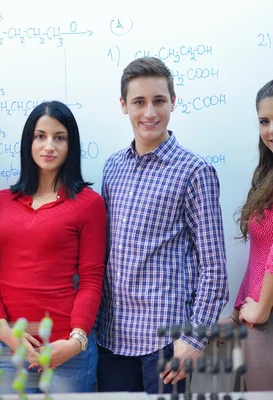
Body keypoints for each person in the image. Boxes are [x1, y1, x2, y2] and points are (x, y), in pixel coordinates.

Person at [95, 57, 228, 394]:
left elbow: (213, 267)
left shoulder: (195, 171)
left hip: (166, 342)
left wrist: (194, 340)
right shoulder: (112, 168)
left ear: (173, 101)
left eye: (159, 100)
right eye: (139, 102)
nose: (149, 113)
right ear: (124, 105)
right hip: (112, 338)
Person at [0, 101, 105, 394]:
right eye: (40, 136)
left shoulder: (89, 204)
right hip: (11, 349)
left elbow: (92, 279)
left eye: (60, 137)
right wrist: (5, 332)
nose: (49, 146)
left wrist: (76, 340)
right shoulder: (0, 203)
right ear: (28, 142)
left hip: (67, 352)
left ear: (71, 145)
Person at [220, 80, 273, 391]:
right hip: (256, 318)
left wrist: (262, 307)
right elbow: (260, 249)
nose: (269, 131)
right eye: (264, 121)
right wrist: (242, 307)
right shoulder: (265, 174)